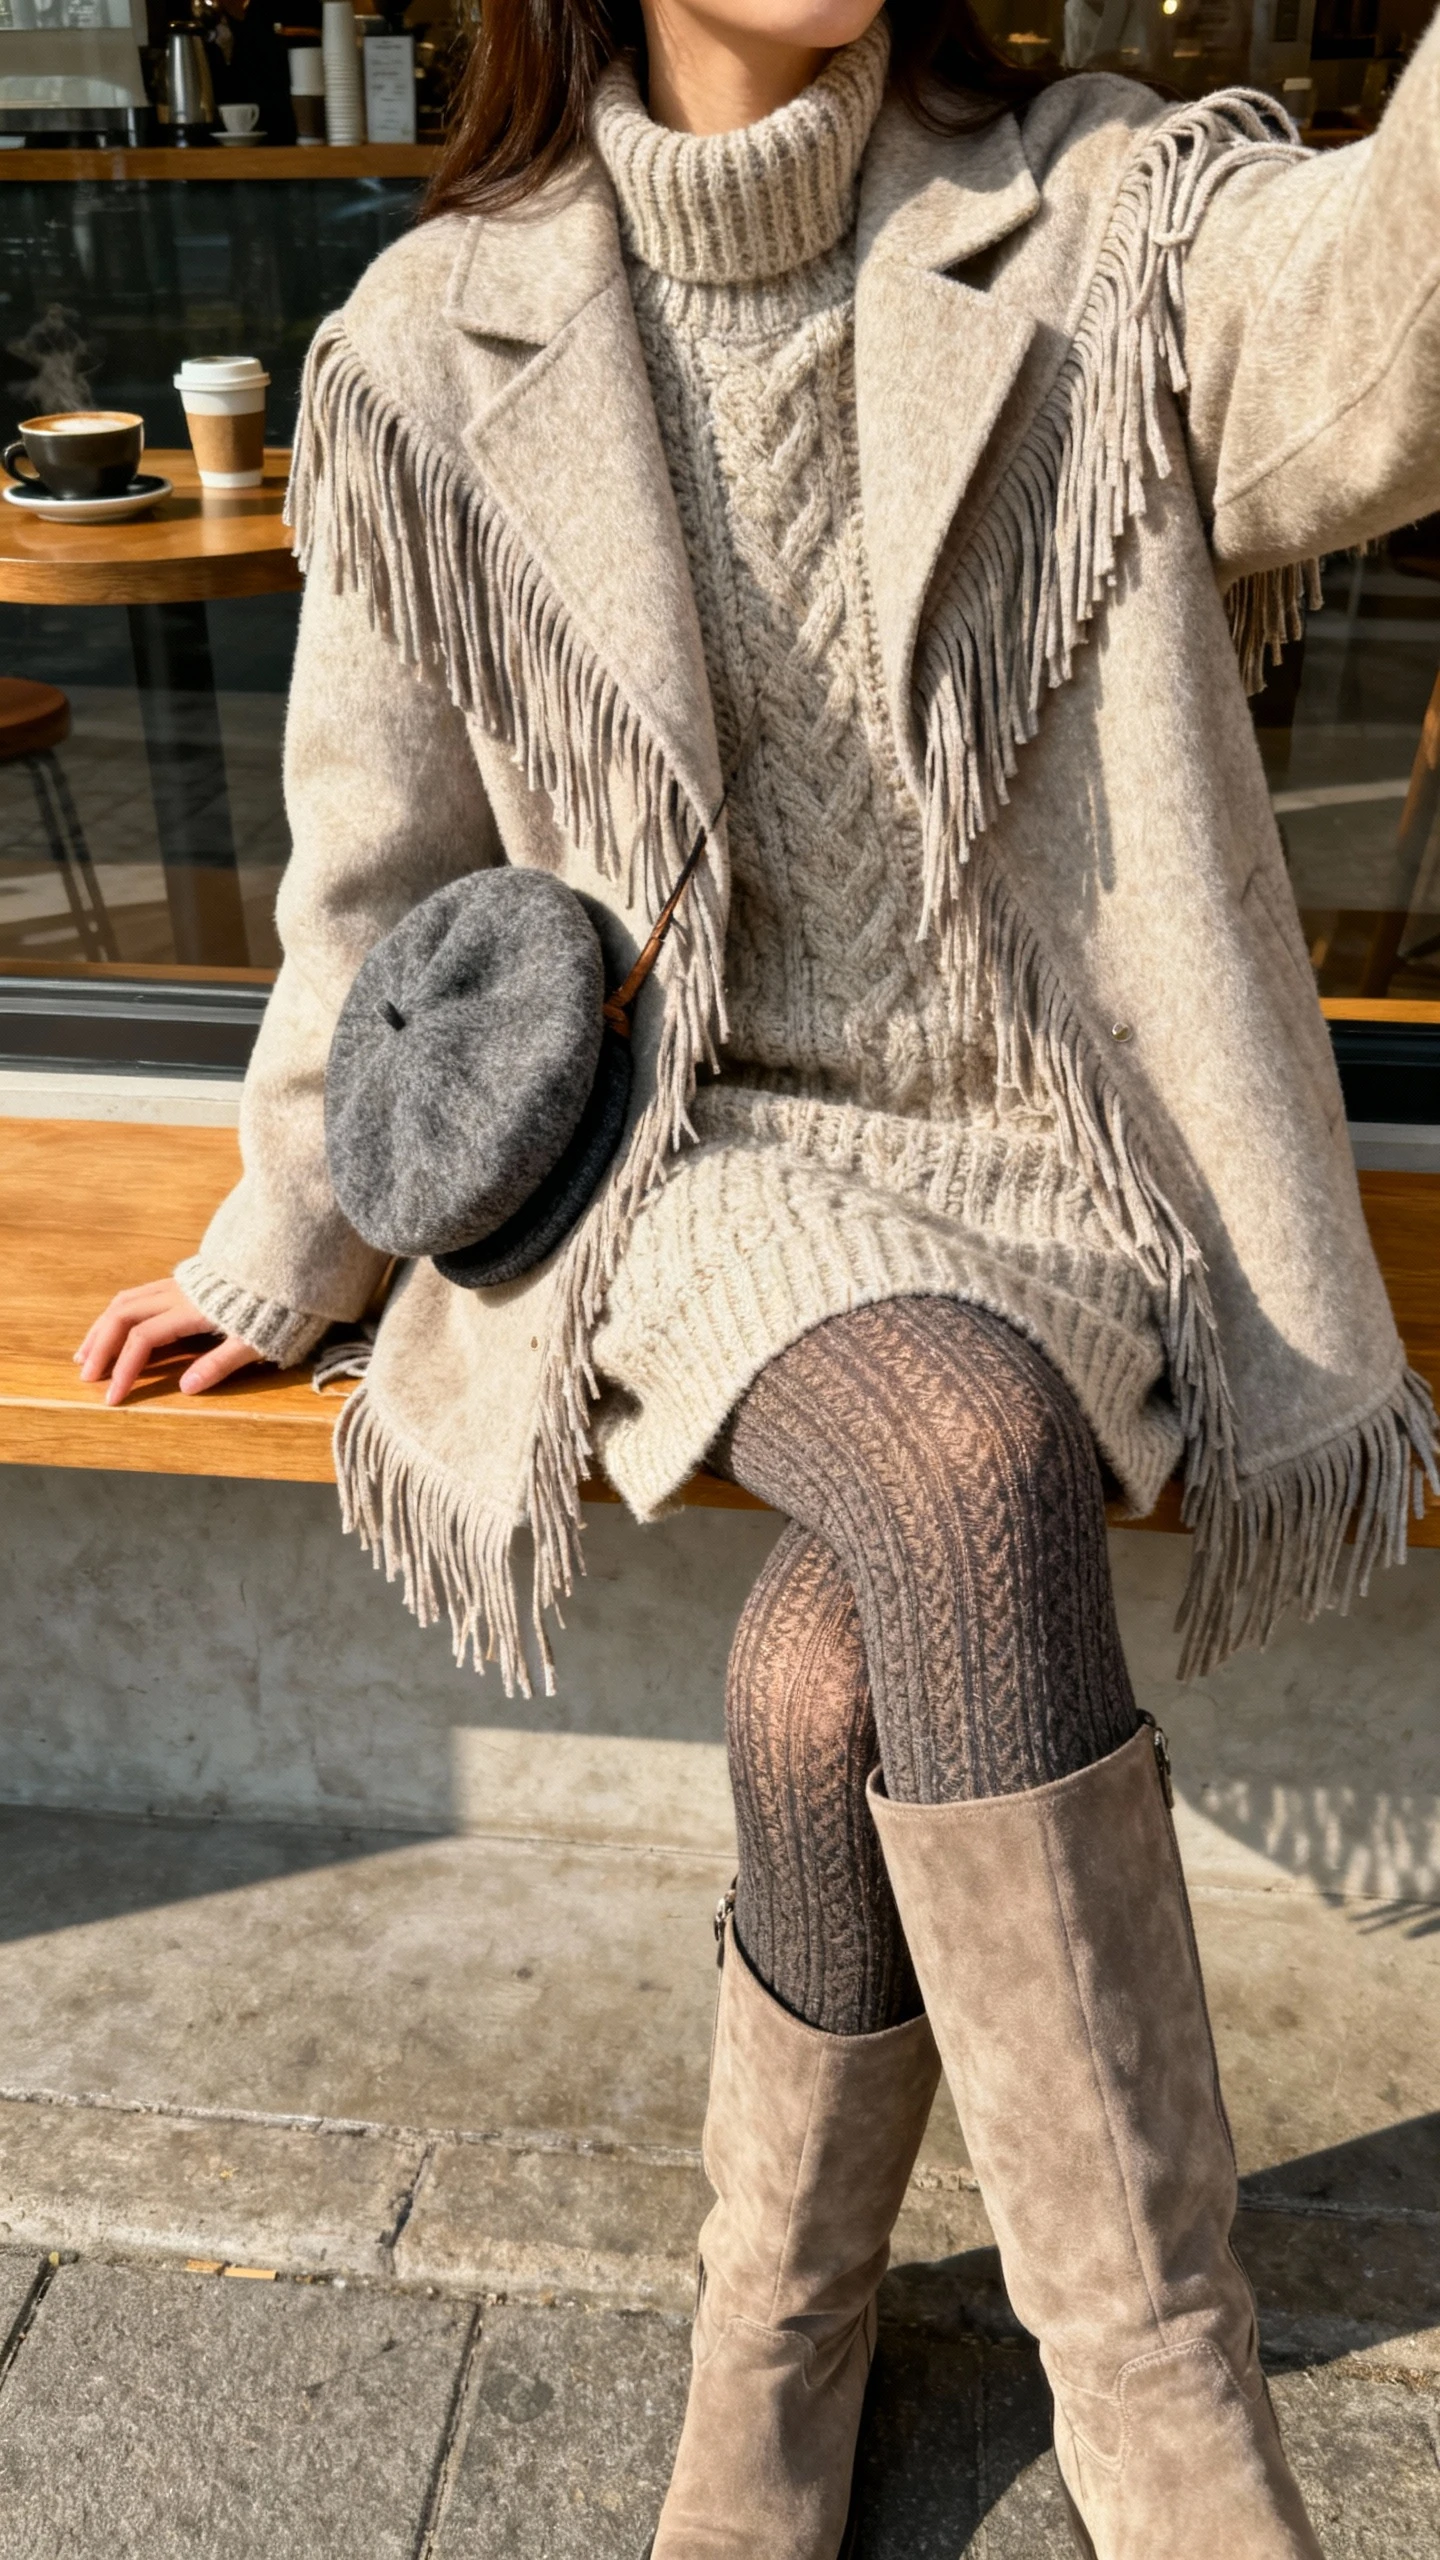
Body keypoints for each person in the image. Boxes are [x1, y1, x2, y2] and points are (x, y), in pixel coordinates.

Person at [79, 0, 1440, 2549]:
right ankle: (1166, 2408)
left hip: (1057, 1150)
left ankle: (781, 2324)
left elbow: (1389, 348)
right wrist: (290, 1234)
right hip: (680, 1154)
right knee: (951, 1455)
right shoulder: (429, 335)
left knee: (849, 1645)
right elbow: (373, 877)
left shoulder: (1100, 210)